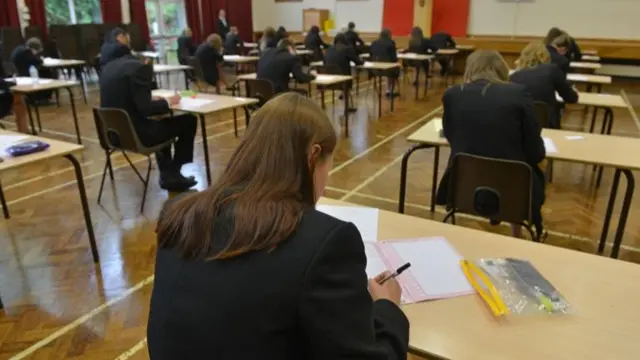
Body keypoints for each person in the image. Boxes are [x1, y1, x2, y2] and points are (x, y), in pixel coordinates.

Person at [148, 92, 410, 359]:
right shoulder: (324, 242)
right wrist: (388, 307)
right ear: (313, 155)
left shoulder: (178, 211)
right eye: (326, 170)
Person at [436, 50, 546, 238]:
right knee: (523, 169)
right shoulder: (519, 94)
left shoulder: (453, 95)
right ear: (502, 69)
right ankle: (516, 232)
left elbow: (450, 136)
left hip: (463, 186)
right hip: (514, 191)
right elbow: (536, 152)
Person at [99, 55, 198, 191]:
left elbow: (126, 99)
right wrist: (168, 101)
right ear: (146, 62)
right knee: (189, 120)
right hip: (139, 137)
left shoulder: (109, 67)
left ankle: (167, 173)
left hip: (114, 137)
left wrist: (148, 98)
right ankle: (173, 171)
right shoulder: (140, 68)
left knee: (161, 122)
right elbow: (146, 110)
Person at [510, 42, 579, 128]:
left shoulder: (514, 77)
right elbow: (571, 98)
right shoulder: (552, 70)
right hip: (547, 122)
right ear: (545, 56)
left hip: (521, 125)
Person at [10, 38, 53, 103]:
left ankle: (36, 97)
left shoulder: (19, 48)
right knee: (47, 73)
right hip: (24, 75)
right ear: (35, 48)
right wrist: (39, 57)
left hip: (17, 73)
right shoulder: (27, 52)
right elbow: (37, 62)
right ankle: (42, 98)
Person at [369, 29, 399, 97]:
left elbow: (371, 55)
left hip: (375, 69)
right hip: (388, 70)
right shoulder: (391, 43)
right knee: (394, 68)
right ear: (389, 35)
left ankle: (388, 90)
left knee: (391, 68)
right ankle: (391, 90)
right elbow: (394, 58)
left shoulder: (374, 42)